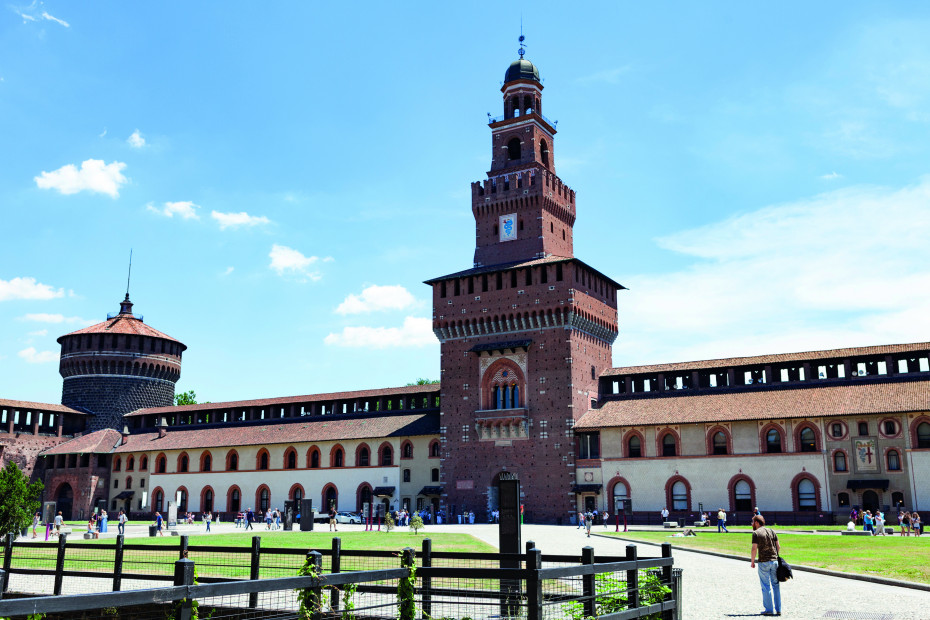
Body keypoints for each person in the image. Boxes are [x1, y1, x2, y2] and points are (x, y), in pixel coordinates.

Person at [749, 514, 781, 616]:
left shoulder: (756, 533)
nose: (752, 524)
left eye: (753, 522)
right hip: (774, 561)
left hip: (763, 562)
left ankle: (769, 609)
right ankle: (778, 609)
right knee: (776, 585)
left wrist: (752, 561)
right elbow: (778, 546)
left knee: (766, 586)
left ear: (757, 522)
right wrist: (776, 556)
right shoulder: (772, 531)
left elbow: (754, 549)